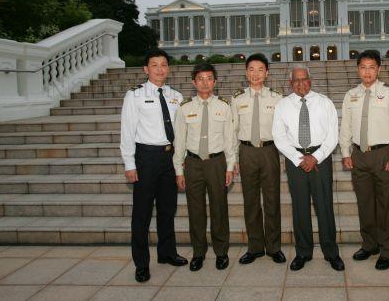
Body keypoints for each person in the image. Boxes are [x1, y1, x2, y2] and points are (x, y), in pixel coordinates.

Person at [120, 49, 188, 283]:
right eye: (154, 65)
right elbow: (127, 131)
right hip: (146, 157)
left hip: (169, 158)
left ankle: (167, 253)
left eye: (163, 65)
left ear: (168, 68)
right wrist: (130, 163)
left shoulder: (176, 96)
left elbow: (180, 132)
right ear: (146, 69)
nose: (160, 69)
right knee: (142, 213)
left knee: (168, 210)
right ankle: (141, 263)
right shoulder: (135, 96)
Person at [339, 50, 389, 270]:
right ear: (358, 69)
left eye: (371, 67)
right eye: (363, 67)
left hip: (383, 154)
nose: (367, 72)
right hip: (359, 155)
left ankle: (388, 251)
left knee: (386, 205)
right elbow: (346, 127)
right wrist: (346, 153)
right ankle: (370, 244)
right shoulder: (351, 95)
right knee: (365, 204)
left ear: (378, 69)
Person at [272, 65, 344, 272]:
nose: (301, 84)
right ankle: (303, 252)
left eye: (304, 79)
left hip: (320, 159)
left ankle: (331, 252)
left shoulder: (325, 103)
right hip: (295, 161)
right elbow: (279, 136)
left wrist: (316, 157)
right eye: (296, 80)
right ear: (290, 83)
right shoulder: (282, 106)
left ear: (310, 81)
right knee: (300, 208)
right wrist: (298, 158)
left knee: (325, 207)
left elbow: (332, 135)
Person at [172, 63, 236, 272]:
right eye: (201, 79)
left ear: (215, 82)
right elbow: (179, 142)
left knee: (219, 208)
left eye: (209, 78)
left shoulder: (224, 107)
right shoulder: (185, 108)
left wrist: (230, 166)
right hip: (192, 163)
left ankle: (221, 252)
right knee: (196, 210)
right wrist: (179, 171)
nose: (205, 82)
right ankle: (198, 252)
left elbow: (230, 139)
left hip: (217, 163)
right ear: (194, 82)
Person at [231, 53, 286, 265]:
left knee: (272, 201)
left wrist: (281, 156)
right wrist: (234, 158)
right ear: (246, 73)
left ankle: (273, 247)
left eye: (260, 69)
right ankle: (255, 247)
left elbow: (282, 130)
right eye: (251, 69)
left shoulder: (277, 98)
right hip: (246, 152)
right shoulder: (237, 99)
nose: (255, 74)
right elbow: (232, 130)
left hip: (269, 151)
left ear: (267, 73)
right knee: (251, 201)